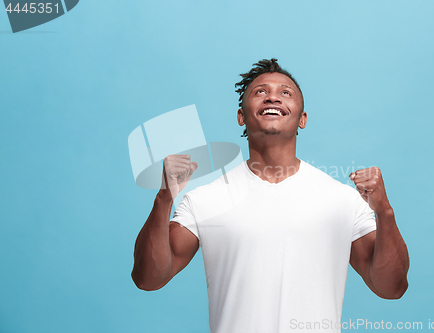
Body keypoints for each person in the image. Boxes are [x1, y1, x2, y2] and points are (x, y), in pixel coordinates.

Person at [131, 59, 409, 333]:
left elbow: (391, 288)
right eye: (260, 91)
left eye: (285, 92)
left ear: (302, 119)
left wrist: (384, 212)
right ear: (241, 116)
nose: (272, 97)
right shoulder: (204, 200)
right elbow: (148, 278)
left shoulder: (342, 200)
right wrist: (164, 198)